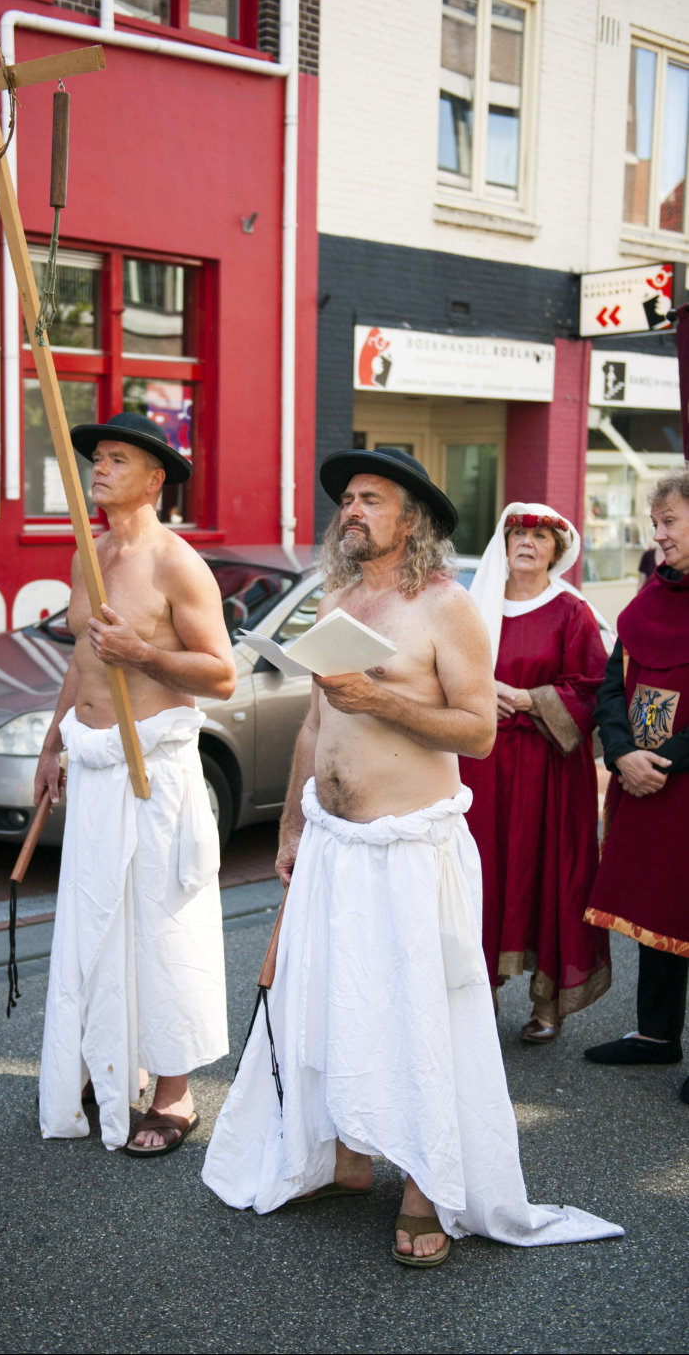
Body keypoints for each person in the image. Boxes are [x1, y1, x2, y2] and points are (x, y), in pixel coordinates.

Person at [202, 449, 623, 1266]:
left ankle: (425, 1189)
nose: (351, 511)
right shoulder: (339, 599)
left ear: (413, 519)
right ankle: (345, 1161)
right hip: (332, 845)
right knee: (327, 1003)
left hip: (409, 852)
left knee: (414, 1016)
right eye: (347, 500)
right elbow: (317, 727)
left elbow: (478, 729)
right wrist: (293, 825)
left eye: (370, 499)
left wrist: (379, 698)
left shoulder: (447, 608)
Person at [34, 412, 237, 1155]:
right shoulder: (87, 553)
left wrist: (141, 651)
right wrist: (52, 742)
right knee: (94, 925)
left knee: (162, 926)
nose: (99, 466)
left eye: (117, 459)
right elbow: (82, 665)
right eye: (98, 458)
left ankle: (176, 1095)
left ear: (155, 479)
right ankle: (113, 1060)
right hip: (92, 768)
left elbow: (220, 673)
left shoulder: (176, 563)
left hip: (154, 776)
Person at [461, 504, 611, 1041]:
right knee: (482, 874)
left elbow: (592, 686)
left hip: (548, 768)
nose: (526, 543)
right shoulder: (474, 605)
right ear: (503, 544)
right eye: (518, 533)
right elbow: (445, 670)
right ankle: (479, 997)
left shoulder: (571, 611)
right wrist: (483, 694)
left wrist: (527, 698)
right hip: (483, 765)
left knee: (549, 873)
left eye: (539, 536)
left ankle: (547, 1005)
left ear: (557, 549)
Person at [583, 468, 689, 1103]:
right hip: (643, 780)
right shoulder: (648, 600)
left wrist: (666, 760)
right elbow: (610, 686)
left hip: (679, 779)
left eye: (670, 522)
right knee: (658, 905)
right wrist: (621, 753)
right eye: (656, 523)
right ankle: (655, 1035)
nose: (659, 535)